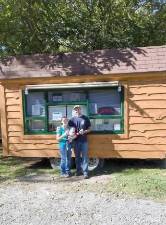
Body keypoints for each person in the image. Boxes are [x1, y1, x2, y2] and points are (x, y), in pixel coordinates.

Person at [68, 105, 91, 179]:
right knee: (77, 157)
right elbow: (69, 130)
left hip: (84, 140)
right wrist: (71, 135)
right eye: (75, 109)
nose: (77, 110)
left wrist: (84, 131)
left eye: (78, 109)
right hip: (75, 141)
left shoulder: (85, 118)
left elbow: (90, 128)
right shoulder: (72, 119)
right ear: (74, 110)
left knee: (85, 157)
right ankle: (78, 171)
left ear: (80, 109)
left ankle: (85, 173)